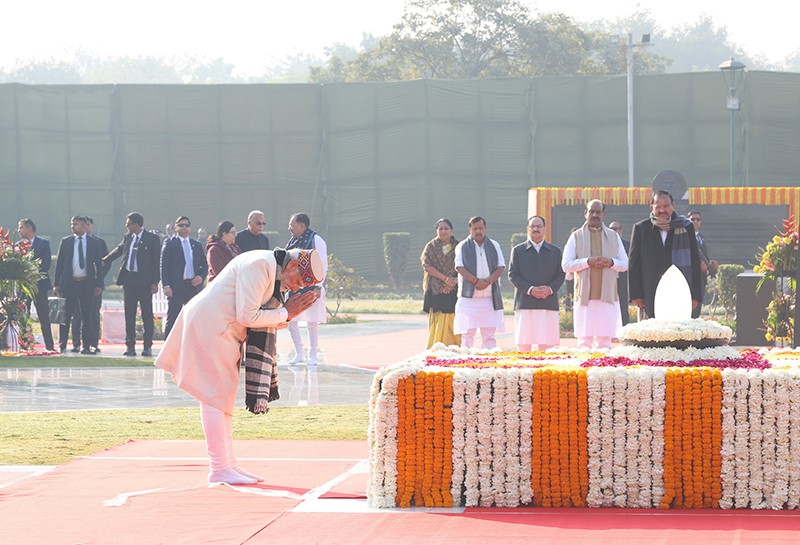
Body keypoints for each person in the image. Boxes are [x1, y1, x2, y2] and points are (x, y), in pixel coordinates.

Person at [155, 248, 323, 485]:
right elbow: (248, 316)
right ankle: (219, 467)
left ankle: (227, 464)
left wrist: (288, 314)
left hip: (221, 329)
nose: (296, 288)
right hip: (212, 324)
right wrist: (287, 312)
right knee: (214, 396)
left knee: (221, 398)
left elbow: (267, 318)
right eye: (299, 281)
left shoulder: (274, 271)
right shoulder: (261, 265)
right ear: (292, 266)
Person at [562, 200, 629, 349]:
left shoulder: (613, 236)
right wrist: (587, 262)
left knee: (605, 342)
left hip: (607, 296)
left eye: (598, 212)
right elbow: (566, 265)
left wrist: (611, 262)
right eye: (591, 211)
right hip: (585, 297)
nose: (594, 215)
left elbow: (625, 264)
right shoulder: (576, 236)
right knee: (584, 342)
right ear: (585, 213)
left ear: (604, 214)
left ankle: (603, 373)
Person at [629, 190, 702, 320]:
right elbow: (634, 263)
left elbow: (695, 261)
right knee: (651, 334)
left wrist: (696, 295)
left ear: (673, 206)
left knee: (678, 332)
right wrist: (635, 294)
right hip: (649, 290)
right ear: (652, 208)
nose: (662, 210)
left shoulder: (686, 227)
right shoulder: (641, 228)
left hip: (679, 289)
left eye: (666, 206)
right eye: (658, 206)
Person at [103, 212, 161, 357]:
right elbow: (119, 250)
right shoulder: (128, 237)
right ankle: (130, 346)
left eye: (128, 223)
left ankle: (147, 346)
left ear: (136, 224)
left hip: (145, 282)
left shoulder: (152, 239)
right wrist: (105, 259)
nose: (126, 226)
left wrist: (155, 282)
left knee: (147, 314)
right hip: (129, 280)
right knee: (129, 314)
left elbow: (156, 261)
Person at [508, 215, 565, 351]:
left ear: (544, 229)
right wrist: (530, 289)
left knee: (547, 347)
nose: (535, 229)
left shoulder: (555, 251)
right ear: (527, 229)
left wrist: (550, 289)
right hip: (525, 302)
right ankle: (524, 372)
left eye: (539, 226)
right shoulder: (518, 251)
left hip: (548, 302)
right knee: (524, 345)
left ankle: (545, 372)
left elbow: (561, 274)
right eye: (532, 226)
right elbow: (512, 274)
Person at [53, 216, 107, 354]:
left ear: (84, 225)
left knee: (87, 316)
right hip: (69, 284)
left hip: (86, 285)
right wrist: (57, 283)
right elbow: (59, 264)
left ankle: (86, 346)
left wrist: (98, 284)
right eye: (72, 224)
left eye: (76, 224)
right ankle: (63, 345)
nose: (73, 226)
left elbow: (99, 267)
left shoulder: (94, 243)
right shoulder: (66, 242)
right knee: (66, 316)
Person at [454, 216, 505, 349]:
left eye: (480, 228)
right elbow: (459, 267)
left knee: (489, 335)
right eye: (475, 228)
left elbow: (501, 266)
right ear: (470, 229)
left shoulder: (494, 245)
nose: (478, 231)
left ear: (485, 228)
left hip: (489, 298)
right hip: (468, 298)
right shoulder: (462, 246)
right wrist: (476, 281)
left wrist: (488, 281)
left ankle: (489, 363)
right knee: (467, 334)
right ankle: (466, 363)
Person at [285, 213, 328, 365]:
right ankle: (299, 353)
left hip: (312, 286)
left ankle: (313, 355)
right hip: (294, 286)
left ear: (302, 226)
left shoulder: (316, 240)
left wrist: (318, 286)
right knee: (291, 319)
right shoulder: (293, 241)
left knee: (312, 321)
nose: (290, 228)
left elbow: (323, 265)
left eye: (292, 225)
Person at [160, 216, 208, 337]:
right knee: (173, 318)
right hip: (176, 287)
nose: (184, 228)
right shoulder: (170, 243)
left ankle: (192, 347)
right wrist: (166, 285)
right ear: (175, 227)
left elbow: (205, 265)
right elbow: (164, 266)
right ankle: (168, 350)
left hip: (192, 286)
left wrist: (201, 277)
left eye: (187, 225)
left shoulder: (195, 244)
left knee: (193, 318)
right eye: (181, 225)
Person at [421, 218, 461, 348]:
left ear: (451, 230)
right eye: (440, 228)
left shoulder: (459, 246)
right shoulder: (431, 247)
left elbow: (465, 265)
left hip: (454, 288)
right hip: (436, 289)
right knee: (439, 320)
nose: (443, 231)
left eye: (446, 228)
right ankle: (436, 347)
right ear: (436, 230)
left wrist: (453, 281)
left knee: (453, 319)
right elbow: (426, 265)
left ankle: (455, 348)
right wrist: (445, 279)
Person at [16, 218, 54, 351]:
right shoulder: (17, 245)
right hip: (23, 288)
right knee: (22, 316)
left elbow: (46, 263)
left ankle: (49, 346)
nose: (18, 230)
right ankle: (24, 345)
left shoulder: (43, 243)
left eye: (20, 227)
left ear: (29, 228)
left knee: (43, 316)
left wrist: (33, 274)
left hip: (40, 286)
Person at [687, 211, 718, 319]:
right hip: (691, 277)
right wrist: (697, 264)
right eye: (692, 219)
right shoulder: (685, 236)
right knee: (690, 306)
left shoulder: (701, 237)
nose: (695, 222)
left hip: (701, 277)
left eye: (698, 219)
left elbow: (703, 256)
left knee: (698, 305)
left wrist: (710, 263)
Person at [85, 217, 108, 352]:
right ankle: (77, 343)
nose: (85, 227)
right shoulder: (72, 242)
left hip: (95, 284)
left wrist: (98, 278)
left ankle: (94, 342)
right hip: (80, 283)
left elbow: (106, 262)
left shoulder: (99, 243)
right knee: (78, 315)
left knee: (94, 314)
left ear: (92, 226)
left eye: (88, 224)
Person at [609, 221, 631, 326]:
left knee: (623, 303)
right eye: (611, 229)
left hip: (623, 278)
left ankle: (625, 327)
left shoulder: (628, 244)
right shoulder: (605, 243)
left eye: (615, 229)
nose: (613, 231)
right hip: (608, 278)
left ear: (620, 230)